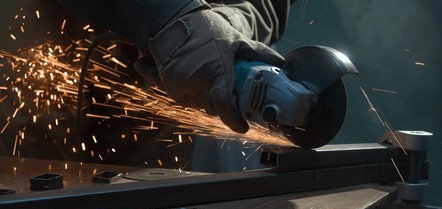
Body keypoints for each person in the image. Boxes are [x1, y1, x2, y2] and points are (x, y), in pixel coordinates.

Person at [55, 0, 294, 134]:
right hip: (62, 58)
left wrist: (225, 23)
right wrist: (176, 20)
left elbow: (266, 5)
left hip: (162, 120)